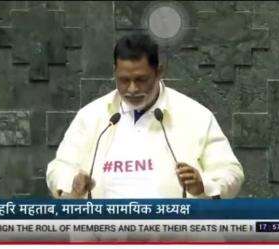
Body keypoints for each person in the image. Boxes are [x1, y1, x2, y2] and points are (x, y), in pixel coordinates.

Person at [46, 33, 244, 199]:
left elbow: (231, 172)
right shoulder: (91, 117)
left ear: (158, 72)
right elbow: (58, 169)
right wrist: (71, 181)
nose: (132, 89)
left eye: (141, 79)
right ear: (115, 72)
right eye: (124, 80)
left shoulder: (195, 115)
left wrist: (204, 185)